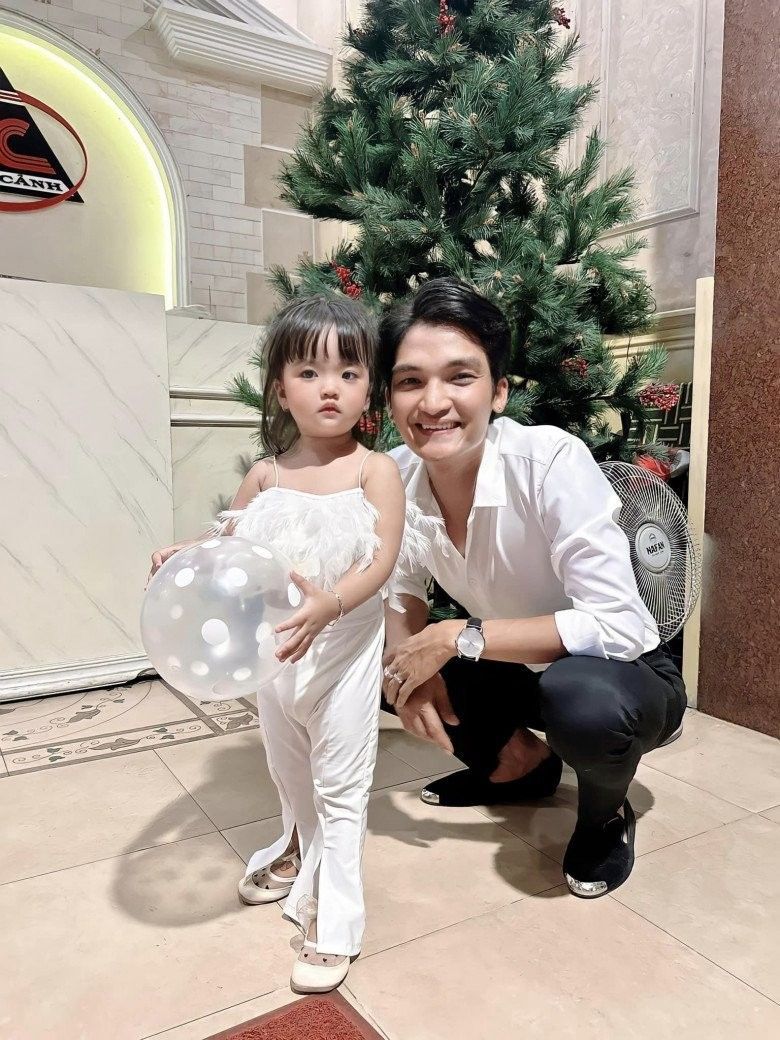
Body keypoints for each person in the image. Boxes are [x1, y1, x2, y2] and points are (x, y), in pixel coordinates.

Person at [150, 295, 430, 993]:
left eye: (348, 373)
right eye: (309, 372)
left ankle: (336, 922)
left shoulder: (374, 470)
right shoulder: (267, 474)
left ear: (369, 387)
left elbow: (383, 560)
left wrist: (330, 604)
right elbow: (230, 545)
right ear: (280, 389)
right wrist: (189, 553)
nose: (329, 388)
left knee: (342, 785)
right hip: (276, 659)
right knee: (289, 771)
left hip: (343, 656)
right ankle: (296, 845)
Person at [378, 277, 687, 898]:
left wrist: (457, 636)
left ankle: (604, 817)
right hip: (514, 666)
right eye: (410, 381)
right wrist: (410, 668)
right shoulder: (398, 474)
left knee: (582, 701)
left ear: (498, 391)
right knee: (384, 665)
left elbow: (621, 625)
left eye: (459, 377)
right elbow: (401, 584)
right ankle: (521, 767)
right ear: (389, 398)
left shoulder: (548, 462)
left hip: (621, 672)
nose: (433, 402)